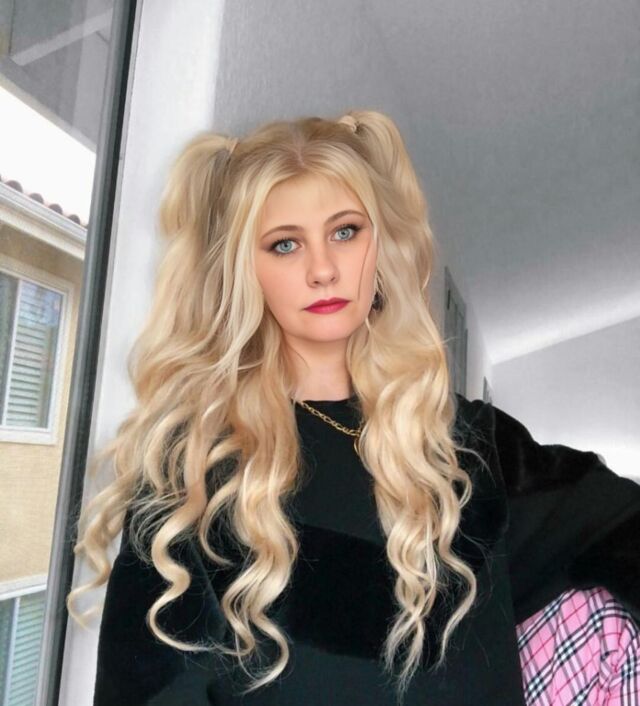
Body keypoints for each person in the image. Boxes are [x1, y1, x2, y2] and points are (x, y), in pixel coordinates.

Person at [68, 110, 640, 705]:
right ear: (245, 270)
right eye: (285, 244)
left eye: (345, 232)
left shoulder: (471, 441)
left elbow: (618, 520)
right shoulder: (189, 473)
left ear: (380, 245)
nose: (322, 269)